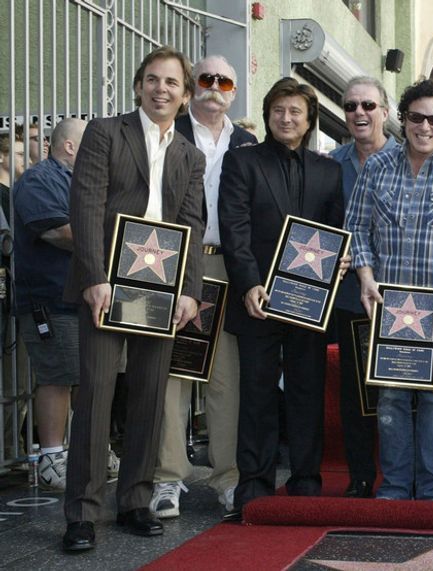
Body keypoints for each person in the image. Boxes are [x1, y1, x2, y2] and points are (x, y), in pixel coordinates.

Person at [62, 45, 205, 552]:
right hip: (106, 283)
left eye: (171, 82)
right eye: (152, 79)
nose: (160, 88)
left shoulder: (191, 155)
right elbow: (87, 204)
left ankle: (135, 502)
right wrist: (93, 276)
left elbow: (192, 223)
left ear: (185, 95)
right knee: (98, 393)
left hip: (159, 284)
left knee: (148, 393)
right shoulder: (106, 133)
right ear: (139, 85)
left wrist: (190, 290)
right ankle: (81, 512)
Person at [346, 79, 433, 501]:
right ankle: (394, 487)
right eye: (416, 117)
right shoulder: (376, 168)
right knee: (389, 397)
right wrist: (365, 276)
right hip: (386, 303)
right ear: (403, 119)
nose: (425, 126)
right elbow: (356, 227)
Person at [218, 78, 348, 519]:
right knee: (255, 393)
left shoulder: (330, 171)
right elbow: (234, 230)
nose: (285, 118)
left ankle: (306, 480)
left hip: (309, 304)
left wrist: (338, 265)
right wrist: (249, 283)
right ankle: (254, 485)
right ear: (269, 114)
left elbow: (335, 234)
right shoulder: (242, 162)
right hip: (257, 299)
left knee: (307, 392)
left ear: (309, 119)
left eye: (295, 111)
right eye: (278, 110)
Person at [149, 55, 257, 521]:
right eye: (207, 79)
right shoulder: (167, 132)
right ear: (194, 85)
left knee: (226, 380)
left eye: (224, 80)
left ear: (233, 91)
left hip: (227, 270)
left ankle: (227, 478)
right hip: (175, 266)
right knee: (170, 374)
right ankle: (167, 478)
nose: (215, 87)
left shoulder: (248, 142)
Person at [327, 76, 397, 499]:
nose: (359, 113)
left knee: (403, 391)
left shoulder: (411, 159)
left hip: (403, 297)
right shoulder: (330, 164)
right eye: (351, 106)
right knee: (356, 396)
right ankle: (361, 475)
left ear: (385, 112)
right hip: (351, 300)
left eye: (368, 106)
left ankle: (402, 475)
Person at [11, 118, 86, 490]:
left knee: (83, 376)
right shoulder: (39, 180)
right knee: (57, 376)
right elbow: (56, 231)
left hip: (82, 297)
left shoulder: (82, 182)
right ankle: (52, 456)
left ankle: (83, 448)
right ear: (70, 147)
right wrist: (109, 236)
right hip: (51, 299)